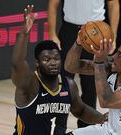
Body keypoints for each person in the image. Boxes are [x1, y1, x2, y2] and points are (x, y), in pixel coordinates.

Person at [12, 5, 107, 135]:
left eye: (56, 58)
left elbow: (81, 111)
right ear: (37, 63)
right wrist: (24, 35)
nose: (53, 63)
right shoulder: (30, 84)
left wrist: (102, 118)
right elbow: (18, 64)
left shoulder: (69, 85)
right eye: (46, 59)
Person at [64, 34, 121, 134]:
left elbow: (105, 102)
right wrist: (79, 43)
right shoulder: (112, 68)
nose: (114, 57)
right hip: (110, 130)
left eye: (120, 55)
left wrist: (99, 63)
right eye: (117, 52)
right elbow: (71, 67)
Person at [48, 0, 120, 128]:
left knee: (91, 88)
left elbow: (113, 4)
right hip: (70, 31)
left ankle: (86, 129)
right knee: (62, 86)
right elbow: (53, 3)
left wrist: (113, 35)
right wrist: (52, 33)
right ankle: (59, 128)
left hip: (97, 32)